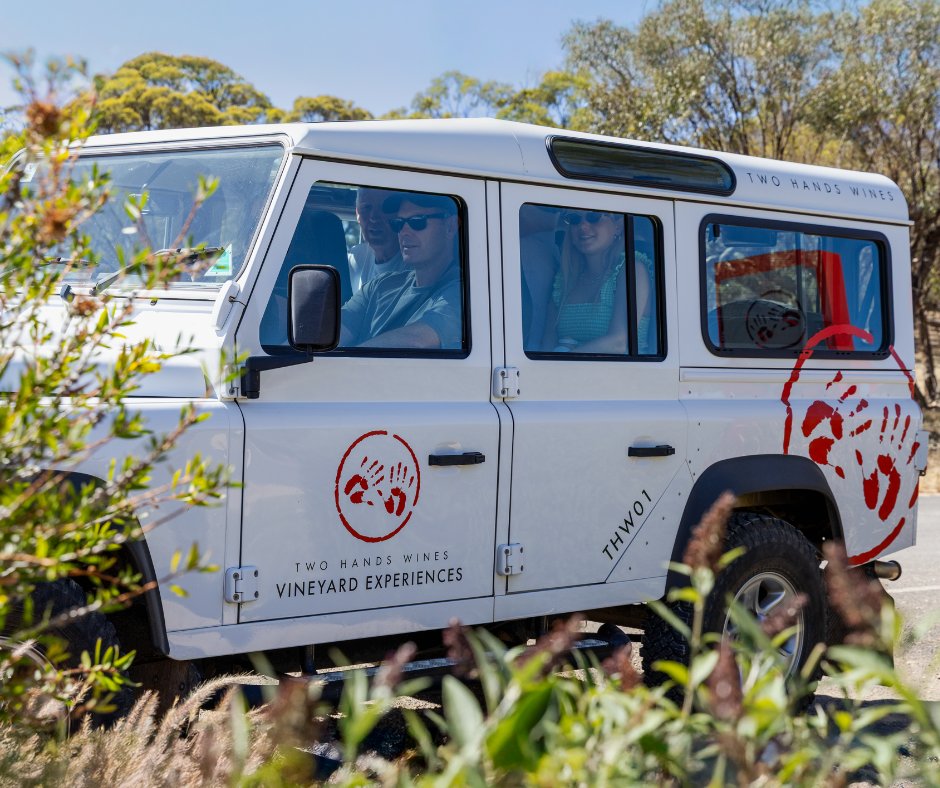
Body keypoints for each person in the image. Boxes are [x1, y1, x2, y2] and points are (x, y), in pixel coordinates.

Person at [340, 193, 462, 349]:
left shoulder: (464, 294)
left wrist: (347, 364)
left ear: (450, 226)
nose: (404, 232)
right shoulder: (378, 287)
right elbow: (329, 332)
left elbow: (418, 340)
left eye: (417, 222)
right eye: (398, 223)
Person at [541, 210, 650, 354]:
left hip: (622, 375)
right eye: (574, 219)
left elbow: (619, 342)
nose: (583, 226)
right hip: (565, 375)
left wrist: (566, 356)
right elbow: (546, 347)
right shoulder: (564, 279)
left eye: (594, 217)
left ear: (618, 226)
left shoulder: (631, 269)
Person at [348, 187, 404, 291]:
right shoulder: (354, 258)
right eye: (366, 207)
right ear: (357, 214)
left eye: (384, 207)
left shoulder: (416, 264)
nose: (374, 217)